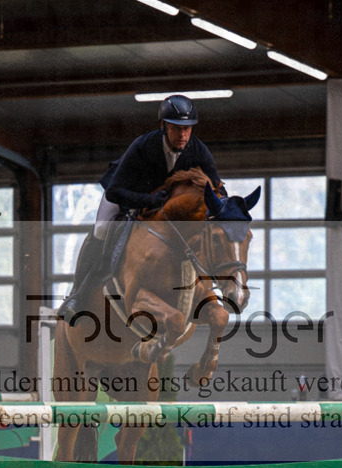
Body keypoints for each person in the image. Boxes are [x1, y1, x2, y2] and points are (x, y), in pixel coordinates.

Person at [57, 94, 223, 323]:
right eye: (176, 128)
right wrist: (148, 201)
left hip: (161, 207)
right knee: (101, 231)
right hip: (125, 196)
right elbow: (115, 191)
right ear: (164, 126)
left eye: (188, 129)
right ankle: (77, 293)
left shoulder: (197, 149)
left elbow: (217, 187)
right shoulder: (144, 145)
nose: (183, 135)